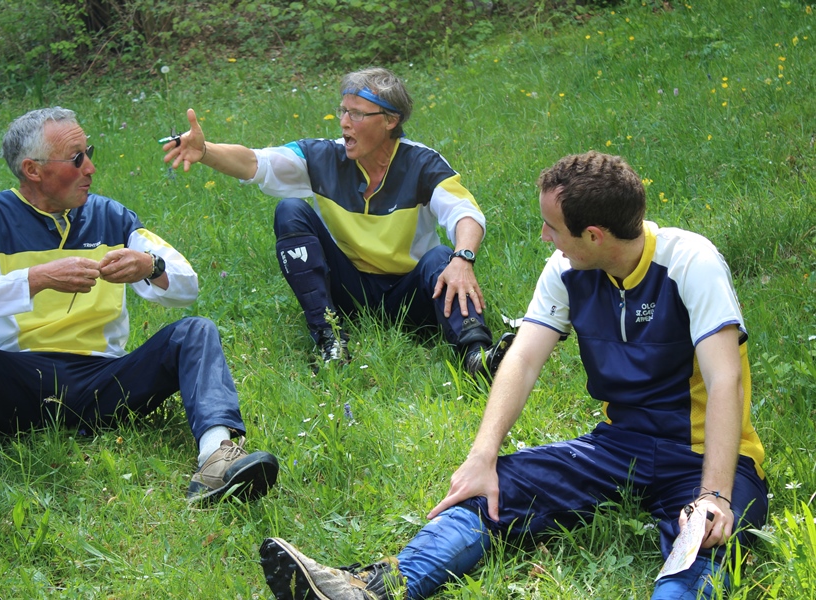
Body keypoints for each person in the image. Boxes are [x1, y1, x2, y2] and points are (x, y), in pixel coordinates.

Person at [257, 151, 769, 599]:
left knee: (704, 543)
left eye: (552, 227)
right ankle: (373, 589)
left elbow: (724, 380)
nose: (545, 236)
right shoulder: (566, 270)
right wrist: (482, 457)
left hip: (705, 455)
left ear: (593, 235)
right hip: (619, 445)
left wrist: (714, 494)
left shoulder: (690, 261)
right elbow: (521, 361)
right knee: (491, 490)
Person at [0, 107, 279, 526]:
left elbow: (188, 287)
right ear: (32, 170)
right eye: (76, 159)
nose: (90, 167)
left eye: (89, 152)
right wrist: (37, 279)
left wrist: (151, 266)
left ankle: (217, 458)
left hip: (105, 384)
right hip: (16, 385)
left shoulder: (112, 216)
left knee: (195, 331)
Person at [163, 67, 513, 376]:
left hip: (410, 295)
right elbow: (256, 163)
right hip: (348, 290)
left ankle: (475, 354)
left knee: (442, 258)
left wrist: (463, 258)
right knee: (290, 210)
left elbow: (465, 213)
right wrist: (206, 151)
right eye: (343, 110)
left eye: (356, 114)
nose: (344, 122)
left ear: (390, 120)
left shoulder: (422, 162)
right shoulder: (322, 157)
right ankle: (329, 339)